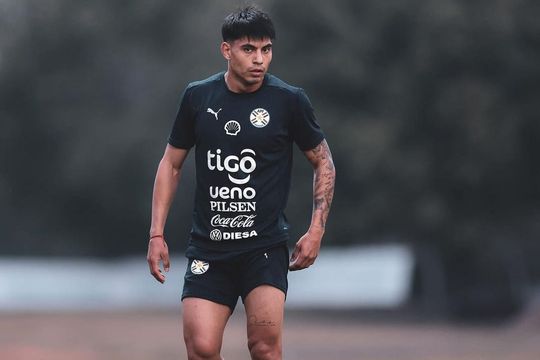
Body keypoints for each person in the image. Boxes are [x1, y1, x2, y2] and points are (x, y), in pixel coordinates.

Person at [147, 5, 335, 360]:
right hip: (209, 247)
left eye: (266, 49)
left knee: (264, 348)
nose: (259, 60)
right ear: (226, 50)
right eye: (249, 49)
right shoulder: (198, 97)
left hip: (263, 247)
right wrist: (156, 233)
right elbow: (171, 165)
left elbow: (323, 161)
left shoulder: (289, 100)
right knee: (201, 347)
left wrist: (316, 230)